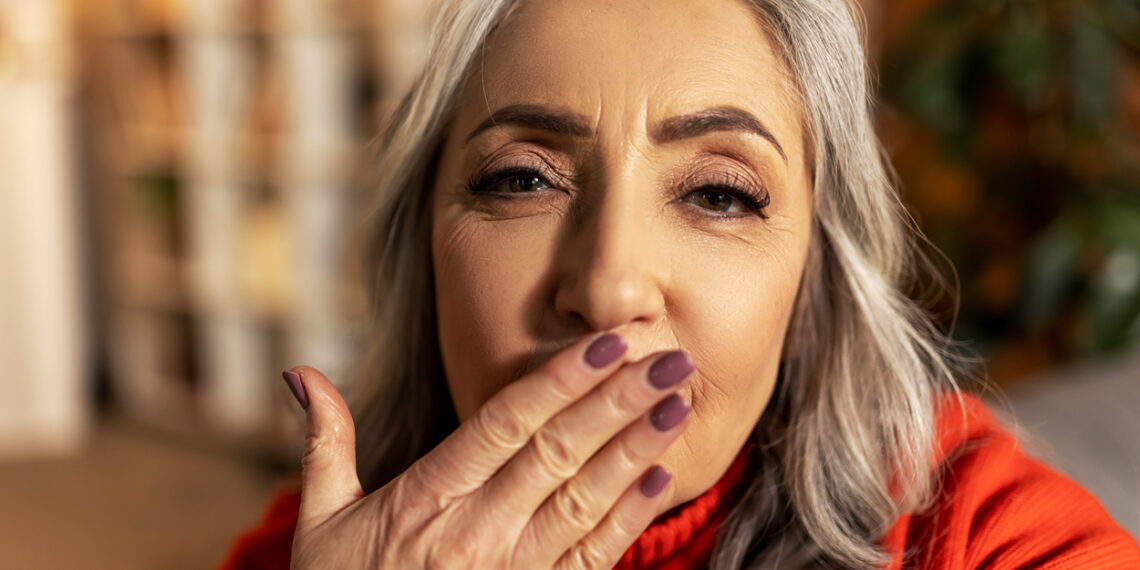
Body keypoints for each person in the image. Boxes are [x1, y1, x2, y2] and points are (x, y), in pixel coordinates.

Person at [221, 0, 1140, 568]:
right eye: (522, 179)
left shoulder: (991, 536)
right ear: (421, 246)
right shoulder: (318, 547)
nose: (610, 287)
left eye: (720, 194)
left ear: (813, 278)